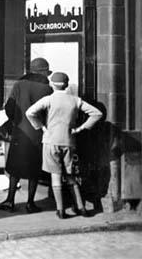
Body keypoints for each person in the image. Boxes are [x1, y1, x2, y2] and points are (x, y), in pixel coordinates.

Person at [26, 72, 103, 219]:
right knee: (71, 176)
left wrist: (41, 127)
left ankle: (61, 210)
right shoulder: (75, 100)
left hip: (50, 141)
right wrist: (80, 129)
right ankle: (81, 208)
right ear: (67, 85)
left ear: (52, 85)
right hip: (69, 141)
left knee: (56, 176)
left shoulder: (48, 99)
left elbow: (30, 112)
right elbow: (97, 114)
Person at [0, 57, 53, 213]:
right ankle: (30, 203)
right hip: (37, 133)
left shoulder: (19, 84)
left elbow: (9, 108)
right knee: (34, 169)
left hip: (20, 132)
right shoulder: (47, 89)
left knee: (14, 168)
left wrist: (15, 122)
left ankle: (10, 200)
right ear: (43, 72)